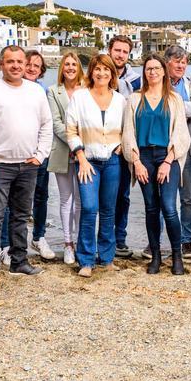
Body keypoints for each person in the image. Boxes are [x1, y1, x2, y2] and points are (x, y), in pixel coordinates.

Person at [0, 46, 52, 293]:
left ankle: (19, 261)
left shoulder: (35, 91)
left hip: (27, 165)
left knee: (20, 216)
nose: (16, 66)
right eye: (10, 62)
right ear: (1, 64)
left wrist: (40, 155)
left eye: (19, 61)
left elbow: (46, 125)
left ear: (26, 64)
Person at [122, 55, 191, 274]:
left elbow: (182, 134)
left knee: (169, 207)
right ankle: (156, 256)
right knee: (151, 208)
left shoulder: (174, 99)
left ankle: (177, 255)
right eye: (148, 68)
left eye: (156, 68)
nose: (152, 72)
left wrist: (168, 161)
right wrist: (136, 162)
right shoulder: (134, 99)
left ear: (164, 71)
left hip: (167, 156)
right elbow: (128, 133)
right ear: (144, 73)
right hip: (143, 158)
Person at [66, 54, 126, 277]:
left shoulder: (120, 100)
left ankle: (107, 257)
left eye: (106, 70)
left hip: (112, 161)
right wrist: (80, 156)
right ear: (91, 72)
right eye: (97, 69)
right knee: (90, 208)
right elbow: (71, 129)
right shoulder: (80, 97)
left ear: (113, 74)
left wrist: (121, 146)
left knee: (109, 210)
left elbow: (127, 128)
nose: (101, 73)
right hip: (87, 161)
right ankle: (86, 260)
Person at [0, 51, 55, 263]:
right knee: (10, 203)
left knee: (40, 196)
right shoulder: (4, 88)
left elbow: (47, 124)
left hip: (38, 155)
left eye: (36, 66)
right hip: (13, 157)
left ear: (41, 71)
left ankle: (38, 237)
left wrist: (41, 154)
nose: (31, 68)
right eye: (28, 64)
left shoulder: (43, 91)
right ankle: (6, 244)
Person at [165, 45, 191, 260]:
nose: (181, 65)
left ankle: (187, 240)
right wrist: (183, 108)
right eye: (177, 61)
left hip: (187, 146)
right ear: (167, 62)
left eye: (184, 62)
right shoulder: (158, 82)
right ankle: (163, 240)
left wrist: (172, 106)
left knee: (187, 197)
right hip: (162, 147)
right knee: (163, 197)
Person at [47, 52, 85, 265]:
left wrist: (82, 142)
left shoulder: (86, 90)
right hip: (63, 150)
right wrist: (74, 140)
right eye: (67, 64)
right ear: (62, 68)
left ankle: (80, 241)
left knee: (81, 200)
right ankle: (67, 243)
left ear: (79, 68)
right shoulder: (53, 91)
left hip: (84, 154)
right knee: (66, 200)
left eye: (74, 64)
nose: (70, 67)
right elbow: (55, 122)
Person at [107, 35, 138, 258]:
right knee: (102, 197)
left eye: (124, 52)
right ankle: (103, 238)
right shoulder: (98, 74)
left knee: (123, 196)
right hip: (102, 144)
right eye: (117, 50)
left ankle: (120, 238)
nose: (120, 55)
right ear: (109, 50)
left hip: (125, 145)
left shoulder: (136, 81)